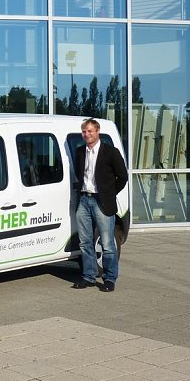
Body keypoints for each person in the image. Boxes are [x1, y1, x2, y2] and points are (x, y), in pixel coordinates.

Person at [72, 118, 128, 293]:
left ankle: (110, 279)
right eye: (84, 131)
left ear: (97, 132)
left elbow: (123, 177)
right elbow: (79, 173)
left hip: (102, 202)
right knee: (85, 242)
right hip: (84, 200)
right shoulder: (80, 152)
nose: (86, 134)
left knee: (107, 243)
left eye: (89, 131)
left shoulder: (110, 152)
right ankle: (88, 276)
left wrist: (109, 194)